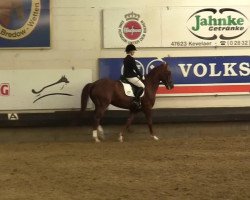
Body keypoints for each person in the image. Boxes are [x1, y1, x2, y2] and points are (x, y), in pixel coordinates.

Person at [123, 44, 145, 109]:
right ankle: (136, 100)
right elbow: (135, 68)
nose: (134, 52)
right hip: (130, 77)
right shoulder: (131, 59)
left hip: (126, 76)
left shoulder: (125, 59)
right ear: (130, 51)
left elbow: (128, 69)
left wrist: (136, 75)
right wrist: (141, 76)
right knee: (142, 86)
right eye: (133, 51)